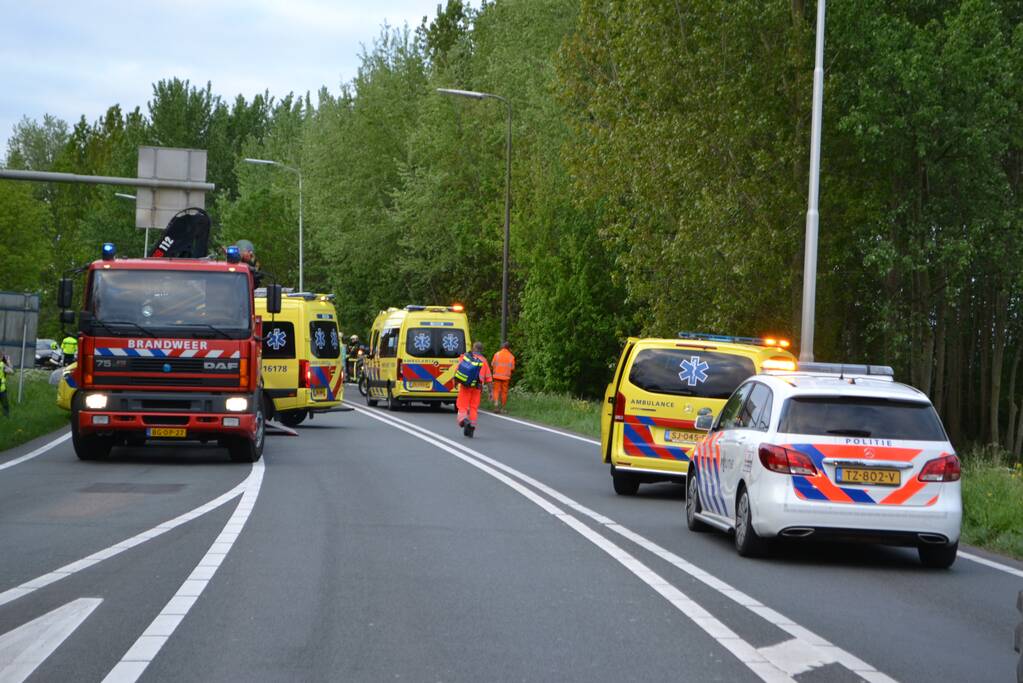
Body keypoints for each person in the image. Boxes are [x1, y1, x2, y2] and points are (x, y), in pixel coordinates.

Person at [454, 341, 492, 437]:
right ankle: (471, 425)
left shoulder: (465, 358)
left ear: (473, 348)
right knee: (473, 408)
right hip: (477, 388)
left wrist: (455, 383)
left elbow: (458, 371)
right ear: (481, 350)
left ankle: (464, 420)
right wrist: (490, 392)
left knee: (462, 406)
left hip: (465, 386)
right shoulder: (484, 361)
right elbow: (489, 379)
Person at [490, 341, 516, 413]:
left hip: (497, 376)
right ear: (509, 348)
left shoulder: (497, 354)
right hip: (506, 377)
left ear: (502, 347)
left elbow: (492, 364)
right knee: (504, 392)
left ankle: (496, 404)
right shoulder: (511, 356)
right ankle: (503, 408)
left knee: (496, 390)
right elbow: (512, 368)